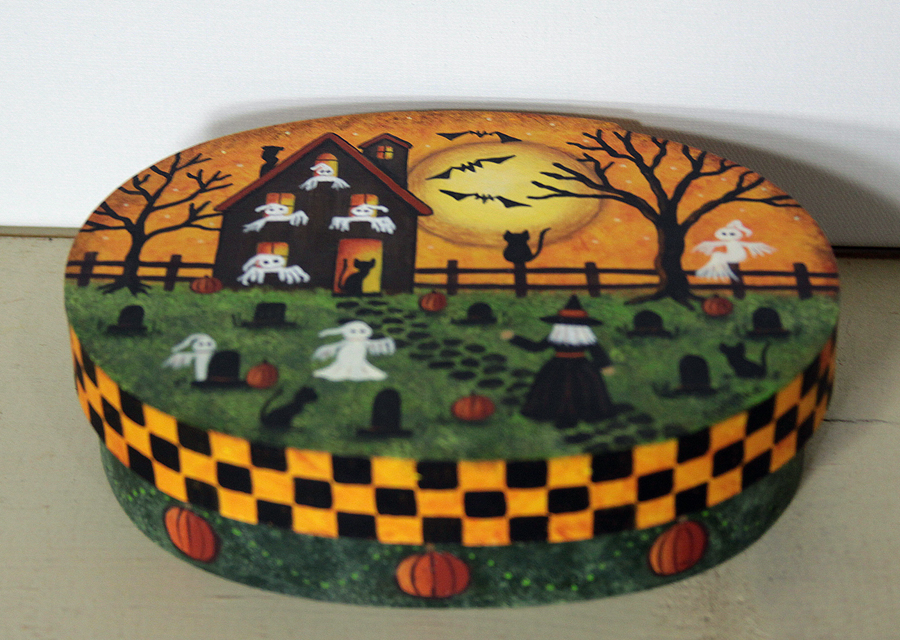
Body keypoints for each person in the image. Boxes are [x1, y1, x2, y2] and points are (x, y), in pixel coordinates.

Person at [501, 295, 616, 429]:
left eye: (575, 323)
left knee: (583, 391)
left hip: (581, 366)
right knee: (554, 390)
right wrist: (514, 338)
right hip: (558, 366)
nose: (571, 326)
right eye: (567, 322)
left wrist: (605, 364)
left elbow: (597, 352)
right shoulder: (555, 337)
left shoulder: (587, 338)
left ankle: (584, 414)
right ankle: (558, 415)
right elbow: (536, 347)